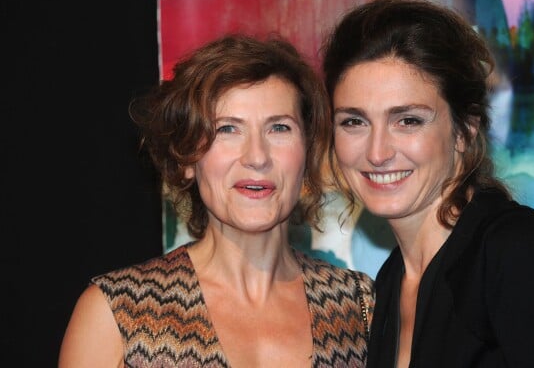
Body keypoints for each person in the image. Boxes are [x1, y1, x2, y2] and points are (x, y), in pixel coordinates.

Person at [59, 34, 374, 368]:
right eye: (227, 129)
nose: (257, 157)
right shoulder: (117, 312)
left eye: (279, 128)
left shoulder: (360, 306)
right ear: (186, 158)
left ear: (308, 152)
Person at [321, 0, 534, 368]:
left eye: (407, 120)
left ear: (464, 130)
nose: (377, 152)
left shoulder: (516, 252)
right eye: (354, 122)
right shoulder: (390, 281)